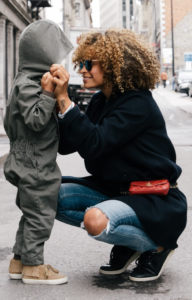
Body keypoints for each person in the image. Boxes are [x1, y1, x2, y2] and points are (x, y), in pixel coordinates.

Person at [51, 28, 187, 282]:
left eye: (88, 63)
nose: (81, 69)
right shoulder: (100, 101)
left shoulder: (138, 103)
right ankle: (129, 243)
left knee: (95, 221)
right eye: (80, 63)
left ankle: (155, 246)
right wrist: (54, 99)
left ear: (114, 64)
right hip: (113, 190)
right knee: (48, 197)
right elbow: (67, 144)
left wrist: (65, 101)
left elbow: (94, 143)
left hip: (151, 197)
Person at [4, 20, 73, 285]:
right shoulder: (31, 85)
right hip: (35, 163)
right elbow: (35, 120)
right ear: (42, 53)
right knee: (41, 215)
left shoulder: (23, 82)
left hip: (27, 159)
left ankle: (19, 261)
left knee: (30, 213)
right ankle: (34, 267)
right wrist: (47, 93)